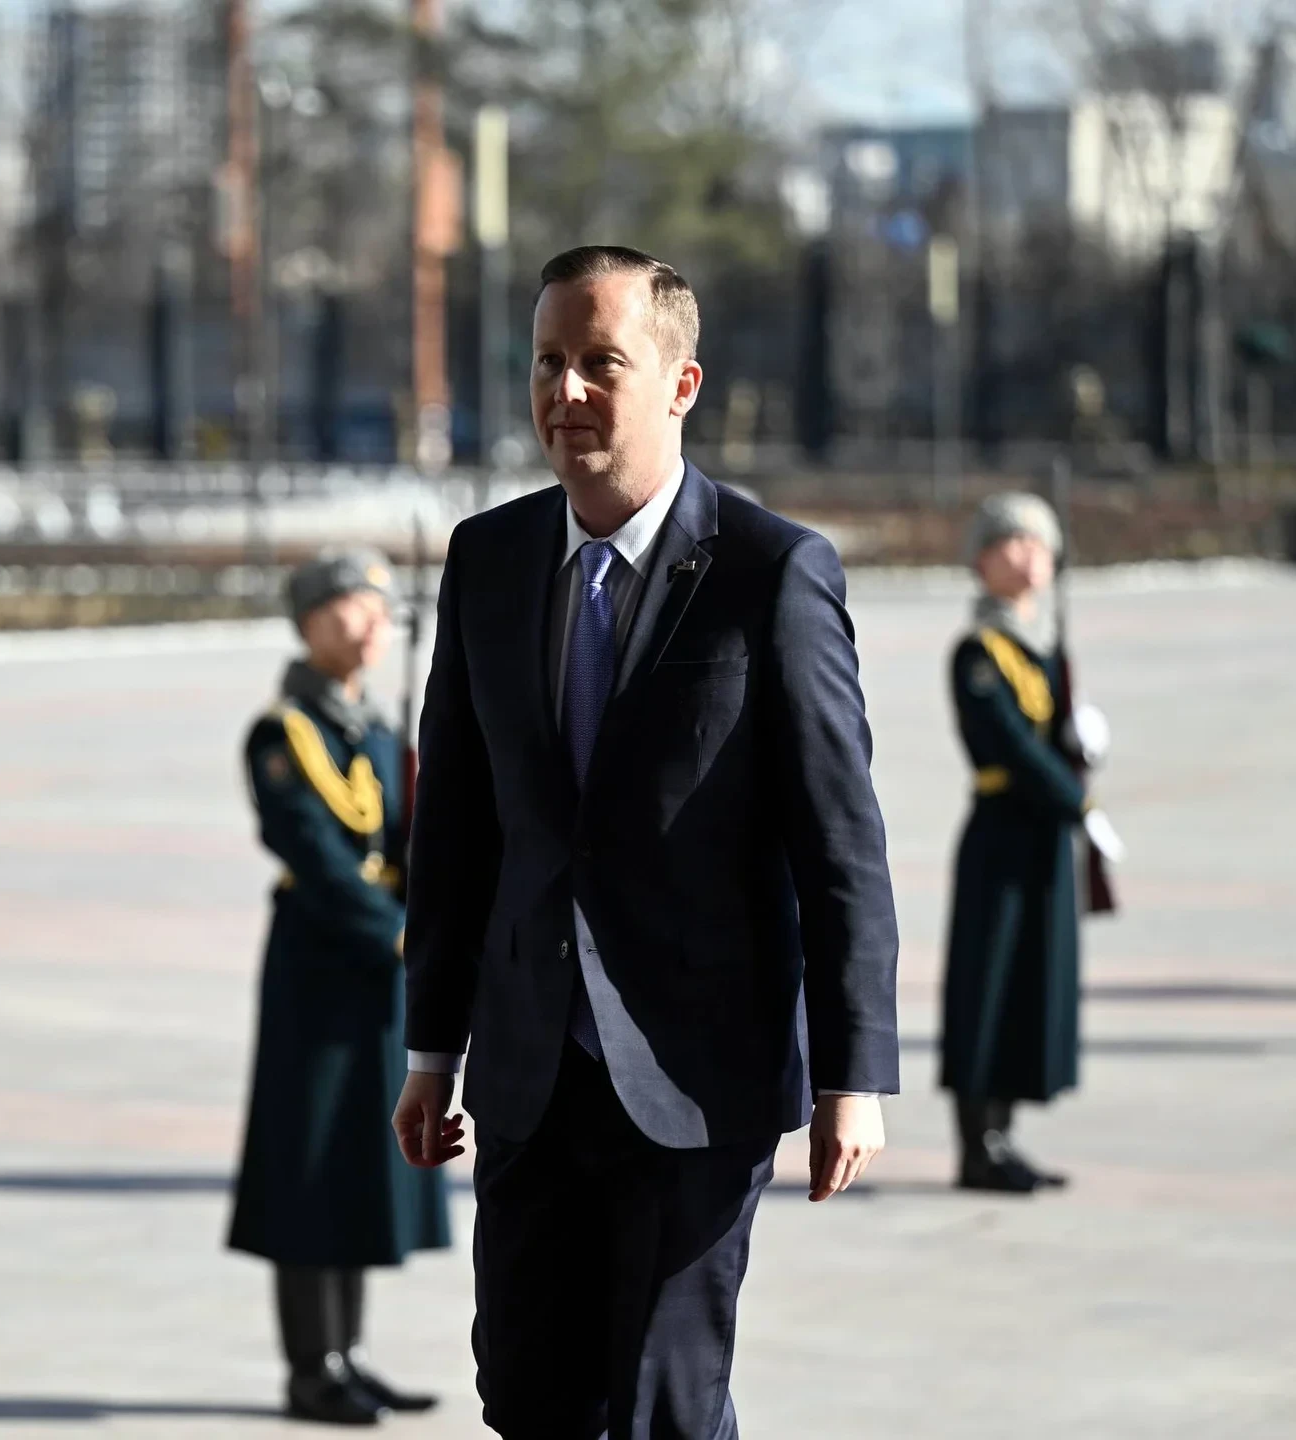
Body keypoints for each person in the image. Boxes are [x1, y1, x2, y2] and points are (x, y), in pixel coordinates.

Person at [392, 245, 899, 1440]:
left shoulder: (771, 573)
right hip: (530, 1073)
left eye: (599, 363)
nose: (564, 392)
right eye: (546, 363)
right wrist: (430, 1050)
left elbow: (839, 845)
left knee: (664, 1404)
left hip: (696, 1078)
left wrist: (853, 1076)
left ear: (680, 383)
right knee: (526, 1397)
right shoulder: (489, 561)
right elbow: (456, 828)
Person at [228, 554, 451, 1427]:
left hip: (379, 974)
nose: (370, 623)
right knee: (308, 1161)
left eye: (377, 609)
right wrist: (397, 932)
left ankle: (348, 1354)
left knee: (359, 1159)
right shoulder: (283, 734)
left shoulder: (375, 728)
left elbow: (401, 839)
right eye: (351, 607)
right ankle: (308, 1369)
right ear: (310, 623)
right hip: (321, 970)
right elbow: (317, 856)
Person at [939, 495, 1126, 1194]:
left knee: (1028, 987)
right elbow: (1010, 746)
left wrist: (1082, 743)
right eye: (1011, 542)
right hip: (1004, 832)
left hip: (1042, 835)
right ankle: (977, 1144)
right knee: (988, 986)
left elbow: (1048, 736)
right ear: (981, 560)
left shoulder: (1040, 647)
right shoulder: (980, 652)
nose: (1027, 555)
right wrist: (1077, 799)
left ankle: (1004, 1134)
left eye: (1039, 544)